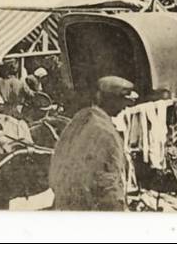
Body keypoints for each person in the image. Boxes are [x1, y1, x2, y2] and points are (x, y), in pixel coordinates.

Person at [48, 76, 137, 211]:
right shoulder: (106, 133)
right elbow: (107, 185)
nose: (125, 107)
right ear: (110, 100)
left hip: (64, 204)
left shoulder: (79, 119)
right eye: (122, 102)